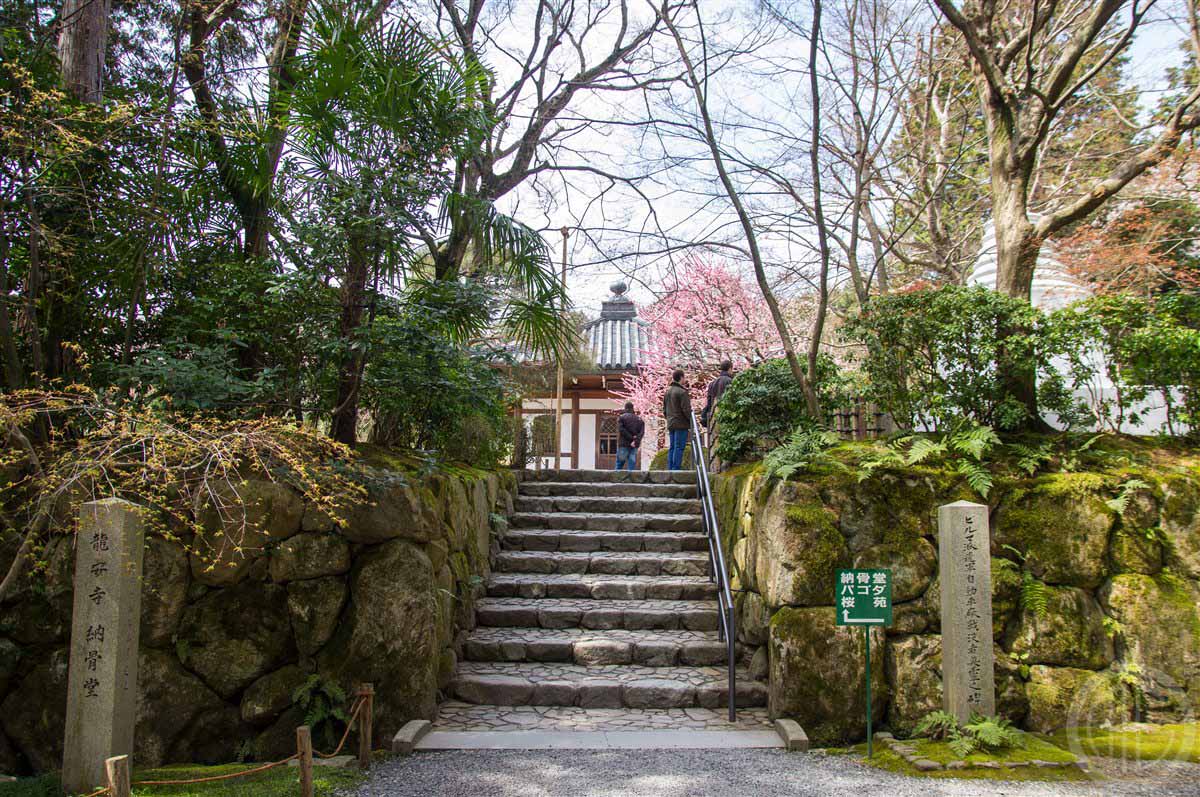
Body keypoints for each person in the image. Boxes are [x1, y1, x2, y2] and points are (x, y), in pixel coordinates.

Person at [662, 369, 692, 470]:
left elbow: (664, 409)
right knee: (679, 446)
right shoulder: (682, 392)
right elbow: (686, 409)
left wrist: (668, 418)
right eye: (684, 377)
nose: (685, 379)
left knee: (672, 446)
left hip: (671, 422)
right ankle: (676, 468)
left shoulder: (667, 392)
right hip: (681, 423)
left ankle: (670, 468)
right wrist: (691, 421)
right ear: (681, 377)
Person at [701, 360, 734, 428]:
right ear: (730, 368)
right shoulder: (730, 381)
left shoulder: (712, 383)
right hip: (727, 415)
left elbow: (709, 402)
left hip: (715, 416)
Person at [615, 402, 645, 471]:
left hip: (623, 444)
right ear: (632, 408)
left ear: (625, 408)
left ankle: (617, 477)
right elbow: (641, 433)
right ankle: (630, 477)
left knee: (619, 465)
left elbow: (621, 430)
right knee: (631, 466)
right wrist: (635, 441)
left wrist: (631, 438)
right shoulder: (639, 419)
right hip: (634, 445)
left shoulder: (622, 417)